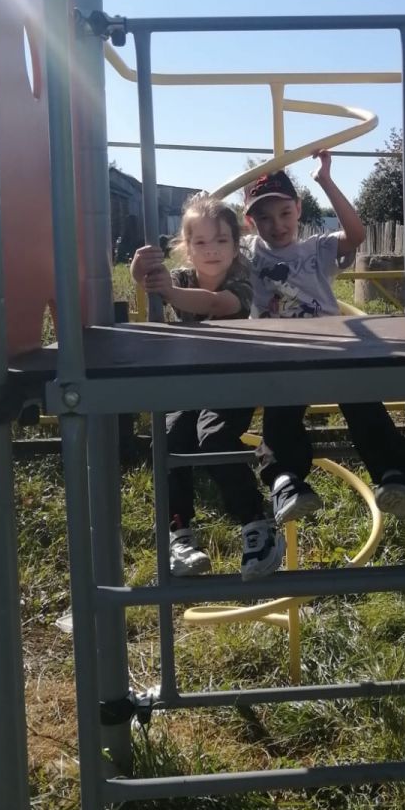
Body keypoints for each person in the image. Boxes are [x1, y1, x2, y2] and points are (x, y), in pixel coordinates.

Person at [241, 150, 405, 525]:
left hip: (327, 347)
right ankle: (286, 481)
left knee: (361, 396)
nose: (277, 225)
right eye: (264, 218)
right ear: (250, 222)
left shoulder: (316, 249)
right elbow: (209, 245)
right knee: (280, 408)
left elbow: (355, 234)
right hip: (280, 354)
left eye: (285, 213)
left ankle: (391, 474)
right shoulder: (249, 254)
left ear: (299, 209)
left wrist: (325, 180)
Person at [130, 194, 285, 580]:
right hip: (191, 381)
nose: (211, 250)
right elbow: (153, 284)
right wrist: (140, 271)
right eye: (200, 241)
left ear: (235, 245)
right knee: (170, 437)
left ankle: (257, 523)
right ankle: (179, 532)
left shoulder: (242, 280)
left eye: (220, 240)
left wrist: (169, 293)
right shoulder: (182, 278)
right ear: (186, 247)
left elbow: (217, 305)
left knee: (213, 437)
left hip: (236, 379)